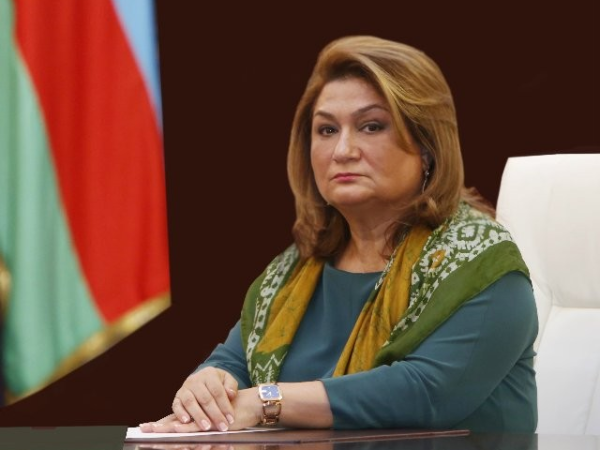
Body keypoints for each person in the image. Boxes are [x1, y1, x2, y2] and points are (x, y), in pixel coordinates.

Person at [140, 35, 537, 433]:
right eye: (327, 130)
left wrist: (268, 401)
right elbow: (234, 363)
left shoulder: (481, 263)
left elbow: (427, 392)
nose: (343, 150)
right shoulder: (294, 271)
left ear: (427, 146)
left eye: (371, 126)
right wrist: (209, 385)